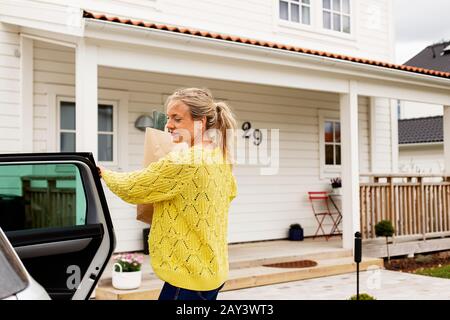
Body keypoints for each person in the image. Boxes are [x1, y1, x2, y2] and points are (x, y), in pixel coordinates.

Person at [98, 88, 237, 300]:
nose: (169, 124)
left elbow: (132, 187)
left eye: (177, 119)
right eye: (169, 117)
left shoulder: (184, 161)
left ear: (200, 121)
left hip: (187, 278)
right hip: (212, 272)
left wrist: (103, 173)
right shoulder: (219, 157)